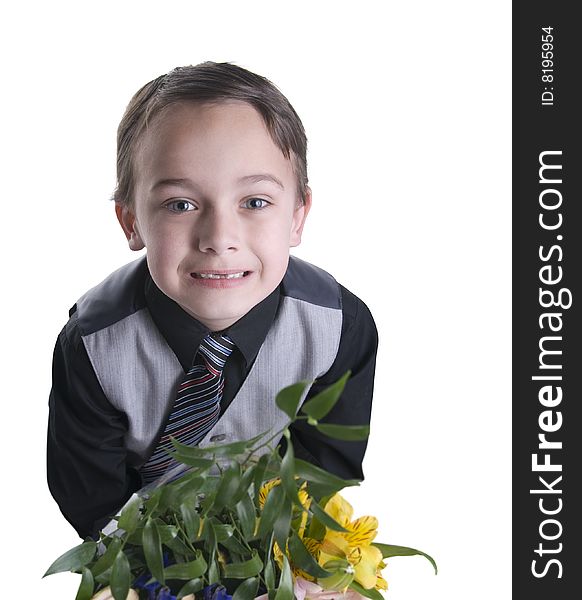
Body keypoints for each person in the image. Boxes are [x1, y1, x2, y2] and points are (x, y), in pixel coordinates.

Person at [47, 61, 378, 540]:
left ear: (297, 217)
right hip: (136, 555)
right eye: (180, 204)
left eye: (255, 202)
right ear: (131, 223)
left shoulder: (340, 328)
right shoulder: (93, 345)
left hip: (277, 550)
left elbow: (323, 474)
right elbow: (94, 505)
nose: (219, 238)